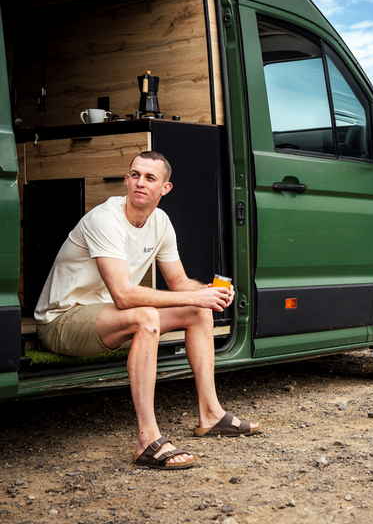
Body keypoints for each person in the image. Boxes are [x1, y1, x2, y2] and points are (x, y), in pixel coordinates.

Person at [35, 150, 259, 470]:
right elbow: (125, 296)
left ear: (164, 189)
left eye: (150, 178)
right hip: (62, 320)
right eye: (135, 175)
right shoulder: (105, 218)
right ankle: (147, 439)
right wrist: (194, 297)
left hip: (106, 316)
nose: (140, 183)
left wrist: (209, 292)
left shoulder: (161, 222)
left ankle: (210, 414)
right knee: (146, 315)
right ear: (127, 180)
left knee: (197, 311)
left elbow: (179, 281)